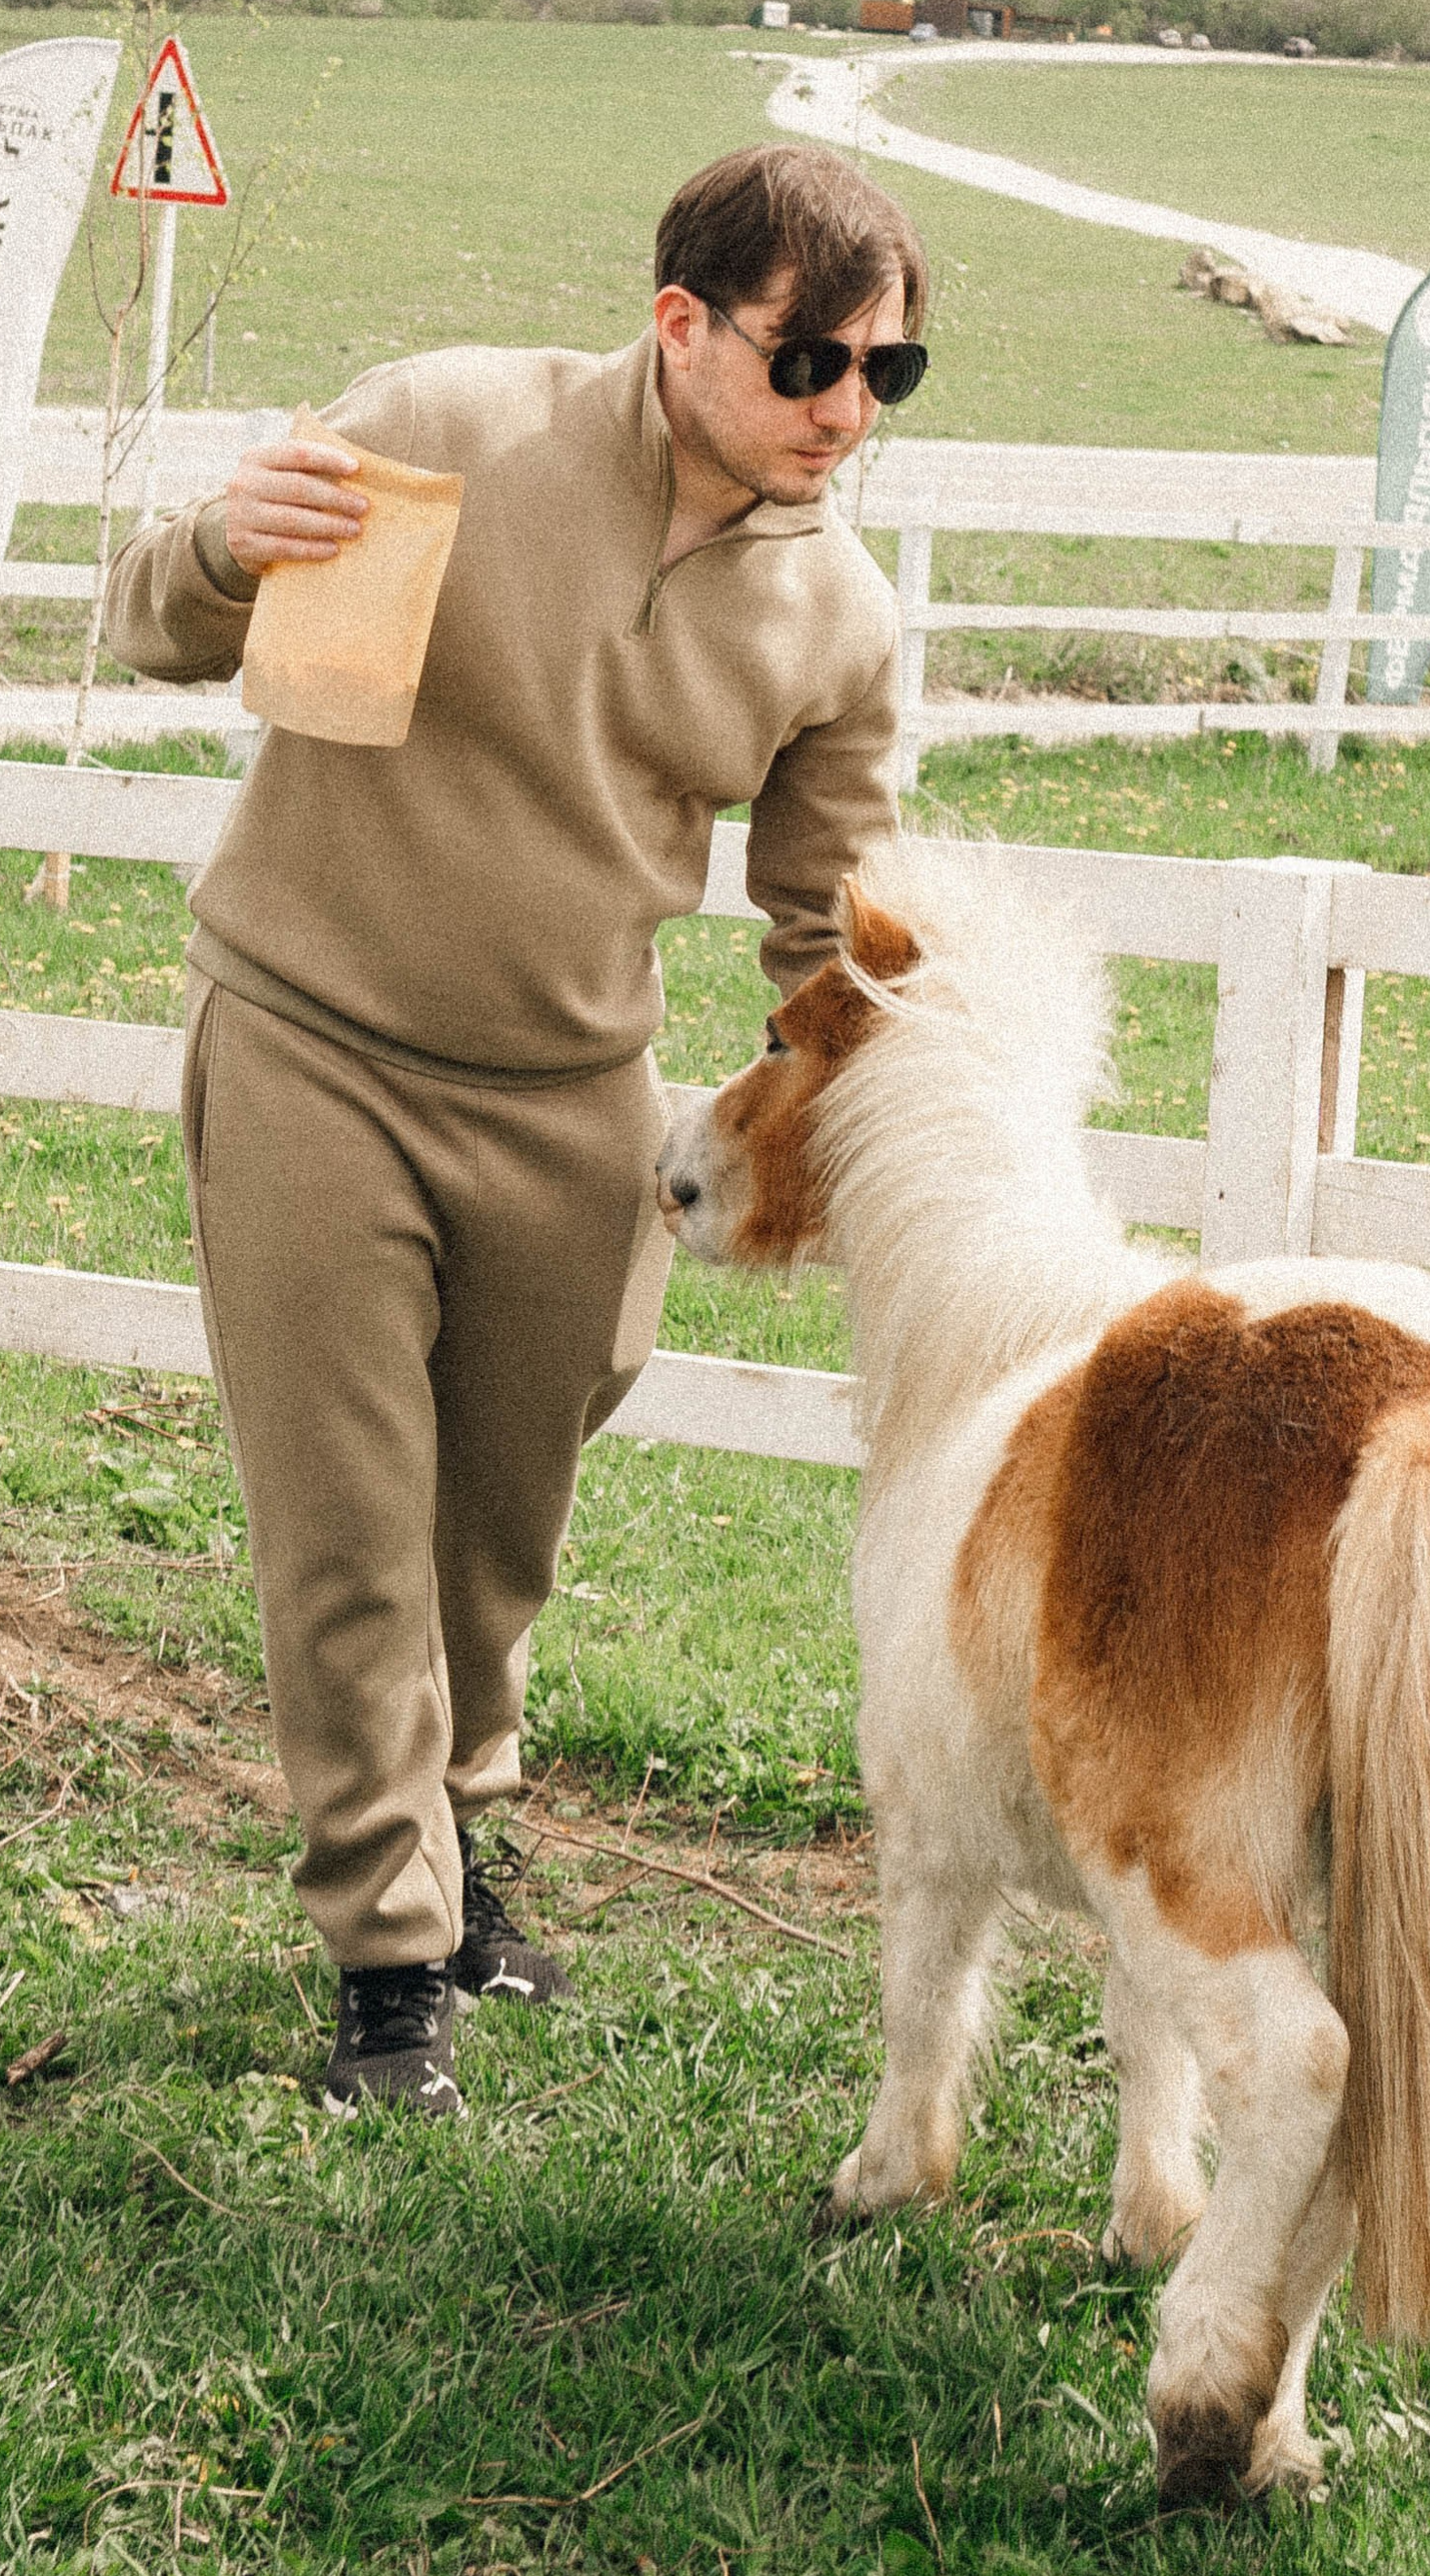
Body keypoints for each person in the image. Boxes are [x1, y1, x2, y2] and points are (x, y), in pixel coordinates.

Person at [103, 143, 929, 2115]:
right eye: (809, 361)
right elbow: (162, 629)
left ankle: (466, 1835)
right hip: (314, 1045)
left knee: (495, 1541)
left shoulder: (839, 626)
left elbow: (825, 937)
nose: (844, 414)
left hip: (574, 1103)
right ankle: (390, 1976)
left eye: (885, 377)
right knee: (350, 1538)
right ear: (680, 325)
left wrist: (910, 1105)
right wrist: (221, 546)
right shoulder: (442, 434)